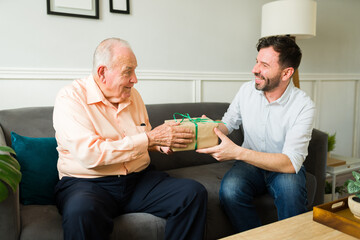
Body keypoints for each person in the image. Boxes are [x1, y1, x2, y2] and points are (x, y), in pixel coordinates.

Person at [53, 38, 207, 240]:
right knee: (81, 213)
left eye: (135, 71)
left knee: (193, 194)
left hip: (138, 180)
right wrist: (151, 140)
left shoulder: (133, 96)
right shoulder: (70, 98)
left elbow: (145, 137)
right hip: (88, 183)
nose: (135, 79)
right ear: (102, 73)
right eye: (128, 72)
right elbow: (89, 154)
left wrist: (165, 142)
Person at [197, 36, 315, 232]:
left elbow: (290, 163)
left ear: (287, 73)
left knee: (291, 193)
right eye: (257, 61)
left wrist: (236, 152)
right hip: (249, 166)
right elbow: (228, 123)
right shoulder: (246, 91)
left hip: (282, 168)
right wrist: (205, 127)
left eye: (264, 65)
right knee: (230, 192)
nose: (255, 69)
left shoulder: (304, 106)